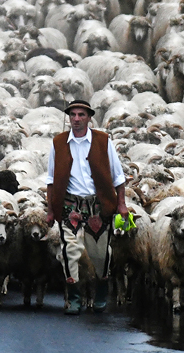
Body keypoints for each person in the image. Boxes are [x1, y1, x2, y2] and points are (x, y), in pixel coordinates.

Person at [45, 99, 129, 315]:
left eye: (81, 115)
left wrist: (121, 204)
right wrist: (51, 209)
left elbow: (118, 176)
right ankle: (74, 298)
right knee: (70, 251)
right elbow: (51, 179)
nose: (77, 119)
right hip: (70, 206)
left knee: (100, 254)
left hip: (97, 205)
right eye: (73, 115)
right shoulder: (59, 143)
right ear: (69, 118)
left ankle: (101, 291)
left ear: (89, 118)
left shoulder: (102, 141)